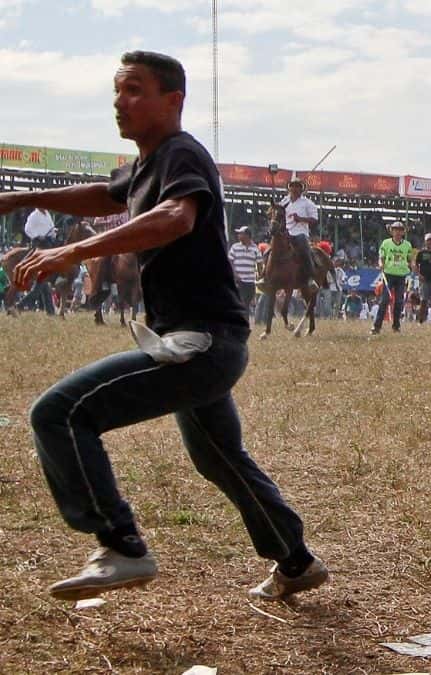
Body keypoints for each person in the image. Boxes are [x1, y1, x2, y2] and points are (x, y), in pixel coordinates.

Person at [3, 51, 326, 602]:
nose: (119, 102)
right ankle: (294, 561)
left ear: (173, 100)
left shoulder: (180, 153)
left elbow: (177, 217)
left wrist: (74, 250)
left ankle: (121, 545)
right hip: (201, 342)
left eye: (133, 90)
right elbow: (106, 194)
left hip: (200, 343)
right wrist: (21, 197)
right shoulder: (145, 166)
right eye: (116, 91)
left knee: (59, 413)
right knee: (218, 456)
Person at [278, 177, 320, 292]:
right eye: (292, 185)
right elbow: (278, 212)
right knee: (270, 247)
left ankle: (311, 277)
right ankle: (264, 275)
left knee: (305, 248)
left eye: (297, 186)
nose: (294, 188)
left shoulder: (308, 203)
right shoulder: (284, 201)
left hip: (300, 233)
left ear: (302, 189)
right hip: (285, 233)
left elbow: (315, 220)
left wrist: (300, 219)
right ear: (289, 187)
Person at [371, 221, 413, 334]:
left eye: (400, 230)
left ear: (403, 232)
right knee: (384, 300)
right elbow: (381, 257)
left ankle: (396, 326)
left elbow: (409, 259)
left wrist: (412, 266)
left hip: (401, 275)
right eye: (395, 230)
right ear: (391, 231)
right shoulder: (386, 243)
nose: (398, 232)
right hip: (388, 274)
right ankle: (376, 327)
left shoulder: (407, 245)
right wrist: (380, 263)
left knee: (399, 301)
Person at [227, 225, 262, 309]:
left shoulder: (255, 249)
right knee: (242, 302)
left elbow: (259, 263)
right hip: (239, 281)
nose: (238, 235)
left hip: (250, 282)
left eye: (240, 234)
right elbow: (230, 261)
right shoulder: (235, 247)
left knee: (246, 303)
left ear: (247, 236)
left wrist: (259, 275)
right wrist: (234, 274)